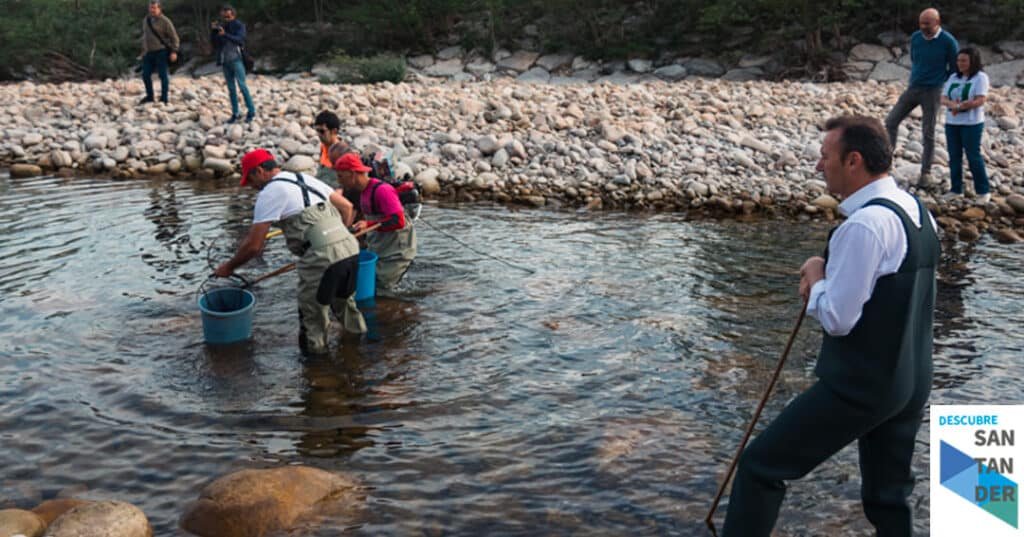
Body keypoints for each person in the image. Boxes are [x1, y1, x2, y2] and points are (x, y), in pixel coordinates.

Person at [721, 116, 939, 537]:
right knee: (888, 495)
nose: (818, 166)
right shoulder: (918, 212)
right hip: (911, 382)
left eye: (825, 156)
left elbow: (839, 319)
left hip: (862, 386)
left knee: (760, 467)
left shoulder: (864, 226)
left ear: (853, 161)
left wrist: (816, 275)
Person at [214, 149, 363, 355]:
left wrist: (229, 267)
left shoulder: (270, 192)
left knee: (312, 319)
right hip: (350, 248)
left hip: (322, 256)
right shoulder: (305, 179)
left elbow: (254, 245)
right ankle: (361, 352)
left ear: (260, 171)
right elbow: (347, 207)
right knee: (346, 305)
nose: (251, 186)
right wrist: (335, 239)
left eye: (251, 179)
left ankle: (316, 368)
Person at [884, 7, 958, 188]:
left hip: (932, 91)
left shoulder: (948, 41)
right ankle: (885, 166)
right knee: (891, 121)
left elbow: (954, 68)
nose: (923, 27)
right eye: (921, 23)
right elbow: (915, 59)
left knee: (928, 132)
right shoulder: (916, 37)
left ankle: (926, 173)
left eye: (927, 24)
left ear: (937, 22)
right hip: (914, 87)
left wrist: (941, 82)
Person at [334, 153, 416, 291]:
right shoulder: (361, 191)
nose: (338, 181)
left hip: (397, 250)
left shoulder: (382, 190)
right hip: (380, 247)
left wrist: (368, 225)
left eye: (341, 176)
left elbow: (398, 221)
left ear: (352, 174)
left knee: (383, 289)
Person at [941, 47, 991, 204]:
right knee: (954, 156)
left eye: (964, 61)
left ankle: (983, 191)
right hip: (952, 122)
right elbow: (943, 97)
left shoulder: (980, 78)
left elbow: (981, 99)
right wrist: (953, 105)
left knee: (973, 156)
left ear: (972, 61)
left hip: (971, 123)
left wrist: (964, 106)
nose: (960, 63)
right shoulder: (953, 77)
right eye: (958, 60)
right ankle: (955, 189)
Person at [211, 4, 255, 123]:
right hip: (225, 61)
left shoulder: (239, 25)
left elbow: (240, 39)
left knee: (242, 85)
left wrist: (225, 34)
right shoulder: (222, 27)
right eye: (224, 16)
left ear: (233, 15)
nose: (226, 18)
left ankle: (251, 111)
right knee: (231, 88)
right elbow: (215, 44)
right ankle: (235, 113)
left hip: (237, 59)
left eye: (228, 16)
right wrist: (214, 32)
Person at [139, 0, 179, 105]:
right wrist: (143, 50)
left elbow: (174, 37)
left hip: (161, 52)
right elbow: (145, 36)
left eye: (154, 8)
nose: (152, 10)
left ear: (159, 9)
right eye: (150, 8)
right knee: (145, 75)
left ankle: (164, 98)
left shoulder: (165, 21)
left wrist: (174, 51)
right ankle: (150, 97)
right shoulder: (146, 20)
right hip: (148, 53)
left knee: (163, 75)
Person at [313, 111, 344, 185]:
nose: (319, 134)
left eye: (322, 131)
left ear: (334, 131)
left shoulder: (343, 154)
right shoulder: (323, 147)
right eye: (317, 130)